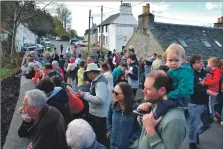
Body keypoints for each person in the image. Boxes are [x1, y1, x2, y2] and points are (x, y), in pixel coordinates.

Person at [131, 70, 187, 149]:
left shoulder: (174, 120)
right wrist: (143, 115)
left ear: (162, 91)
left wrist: (151, 131)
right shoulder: (156, 104)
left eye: (148, 89)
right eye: (144, 87)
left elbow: (149, 129)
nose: (143, 91)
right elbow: (145, 127)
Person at [152, 43, 194, 120]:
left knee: (164, 103)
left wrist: (168, 96)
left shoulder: (184, 74)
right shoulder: (171, 71)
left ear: (183, 59)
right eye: (170, 60)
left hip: (182, 98)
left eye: (176, 60)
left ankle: (154, 117)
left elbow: (183, 91)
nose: (173, 63)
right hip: (175, 94)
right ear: (166, 60)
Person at [76, 63, 112, 148]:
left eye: (88, 73)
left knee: (101, 138)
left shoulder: (100, 83)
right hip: (98, 114)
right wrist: (84, 93)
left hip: (99, 115)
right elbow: (94, 94)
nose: (88, 75)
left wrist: (85, 96)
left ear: (93, 72)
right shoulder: (99, 81)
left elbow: (100, 99)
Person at [188, 55, 216, 149]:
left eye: (201, 62)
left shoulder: (206, 73)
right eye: (198, 62)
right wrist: (206, 91)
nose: (201, 63)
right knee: (193, 124)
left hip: (207, 102)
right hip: (195, 103)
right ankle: (192, 142)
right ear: (192, 64)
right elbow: (193, 87)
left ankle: (197, 132)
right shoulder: (190, 74)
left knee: (209, 122)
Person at [107, 82, 142, 149]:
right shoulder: (112, 105)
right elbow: (108, 120)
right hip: (113, 145)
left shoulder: (136, 108)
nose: (113, 95)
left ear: (126, 94)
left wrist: (131, 141)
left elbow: (141, 128)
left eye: (116, 93)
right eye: (113, 92)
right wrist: (111, 132)